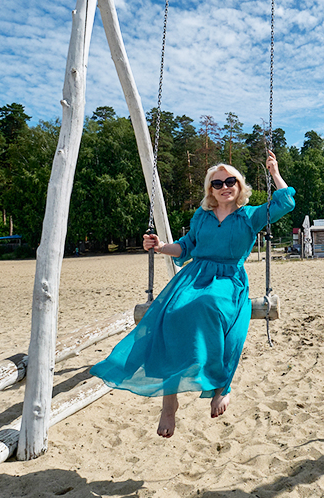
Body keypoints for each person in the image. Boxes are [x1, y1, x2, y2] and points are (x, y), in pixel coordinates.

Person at [90, 151, 294, 438]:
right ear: (210, 190)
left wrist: (274, 172)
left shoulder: (249, 216)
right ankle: (169, 401)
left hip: (228, 279)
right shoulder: (202, 216)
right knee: (171, 315)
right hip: (194, 275)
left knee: (208, 306)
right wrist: (160, 247)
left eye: (230, 181)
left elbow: (285, 202)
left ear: (239, 186)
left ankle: (220, 386)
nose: (224, 187)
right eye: (217, 183)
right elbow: (185, 247)